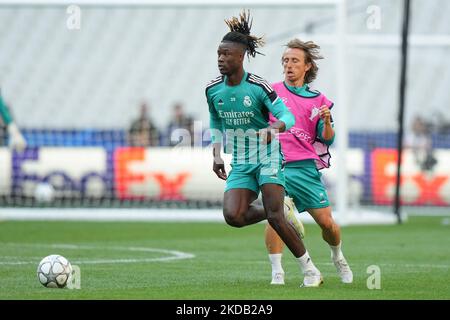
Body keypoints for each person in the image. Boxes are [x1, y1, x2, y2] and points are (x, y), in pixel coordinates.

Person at [206, 11, 322, 287]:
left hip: (267, 154)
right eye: (218, 54)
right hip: (242, 160)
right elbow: (214, 120)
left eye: (226, 55)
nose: (221, 59)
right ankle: (281, 206)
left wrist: (274, 128)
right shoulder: (212, 90)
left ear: (241, 56)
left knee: (274, 218)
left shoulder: (258, 86)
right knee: (233, 217)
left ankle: (311, 271)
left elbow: (288, 117)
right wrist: (216, 152)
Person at [265, 38, 353, 285]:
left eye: (294, 61)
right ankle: (277, 274)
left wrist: (326, 121)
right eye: (285, 60)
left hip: (305, 168)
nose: (288, 65)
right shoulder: (271, 93)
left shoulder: (318, 100)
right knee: (275, 215)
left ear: (307, 66)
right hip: (276, 165)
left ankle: (337, 256)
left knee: (328, 224)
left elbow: (328, 139)